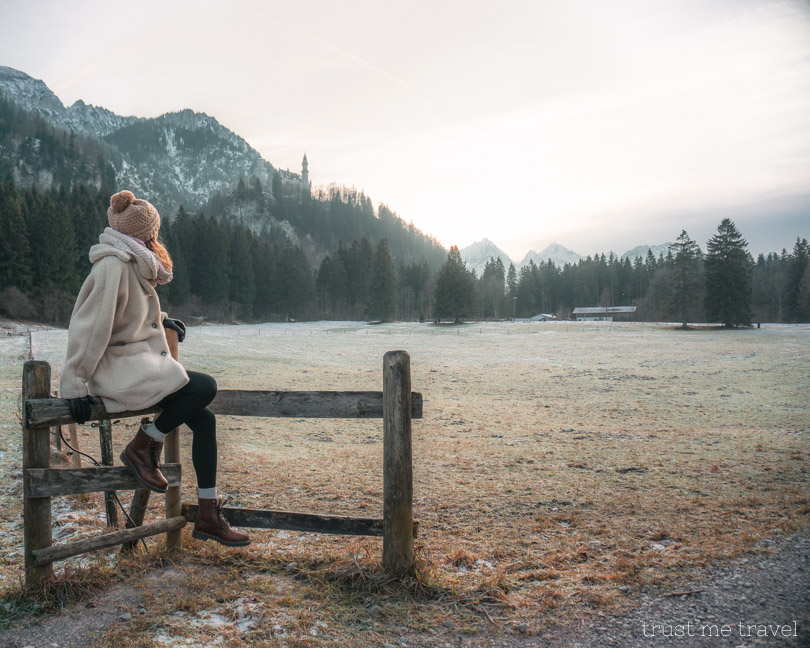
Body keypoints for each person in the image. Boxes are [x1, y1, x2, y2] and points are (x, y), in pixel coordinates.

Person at [60, 190, 249, 547]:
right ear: (144, 232)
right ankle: (143, 446)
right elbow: (91, 328)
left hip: (139, 363)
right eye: (153, 231)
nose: (156, 237)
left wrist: (162, 320)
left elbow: (128, 317)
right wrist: (73, 383)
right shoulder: (113, 265)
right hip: (121, 370)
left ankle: (208, 513)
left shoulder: (133, 261)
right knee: (204, 387)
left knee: (204, 420)